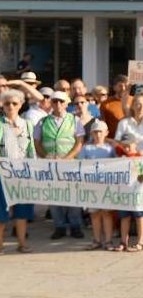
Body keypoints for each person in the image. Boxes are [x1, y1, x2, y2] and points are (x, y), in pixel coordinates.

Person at [34, 91, 85, 239]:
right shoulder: (42, 122)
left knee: (73, 195)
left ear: (66, 103)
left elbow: (79, 142)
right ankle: (59, 226)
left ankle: (75, 226)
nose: (58, 104)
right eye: (55, 101)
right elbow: (37, 143)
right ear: (51, 103)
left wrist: (68, 158)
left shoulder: (74, 120)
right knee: (54, 196)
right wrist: (46, 156)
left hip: (70, 164)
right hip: (50, 165)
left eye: (61, 101)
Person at [0, 88, 36, 253]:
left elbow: (31, 151)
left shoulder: (27, 124)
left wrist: (34, 170)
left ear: (21, 105)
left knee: (22, 210)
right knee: (1, 211)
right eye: (7, 103)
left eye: (14, 103)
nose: (11, 106)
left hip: (23, 173)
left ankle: (22, 243)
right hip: (2, 173)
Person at [78, 121, 119, 250]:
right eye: (95, 132)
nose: (98, 134)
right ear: (91, 133)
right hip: (92, 185)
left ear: (106, 133)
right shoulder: (86, 148)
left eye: (101, 131)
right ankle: (96, 240)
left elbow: (118, 164)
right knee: (94, 214)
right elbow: (80, 164)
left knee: (106, 213)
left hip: (106, 185)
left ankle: (108, 240)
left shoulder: (110, 149)